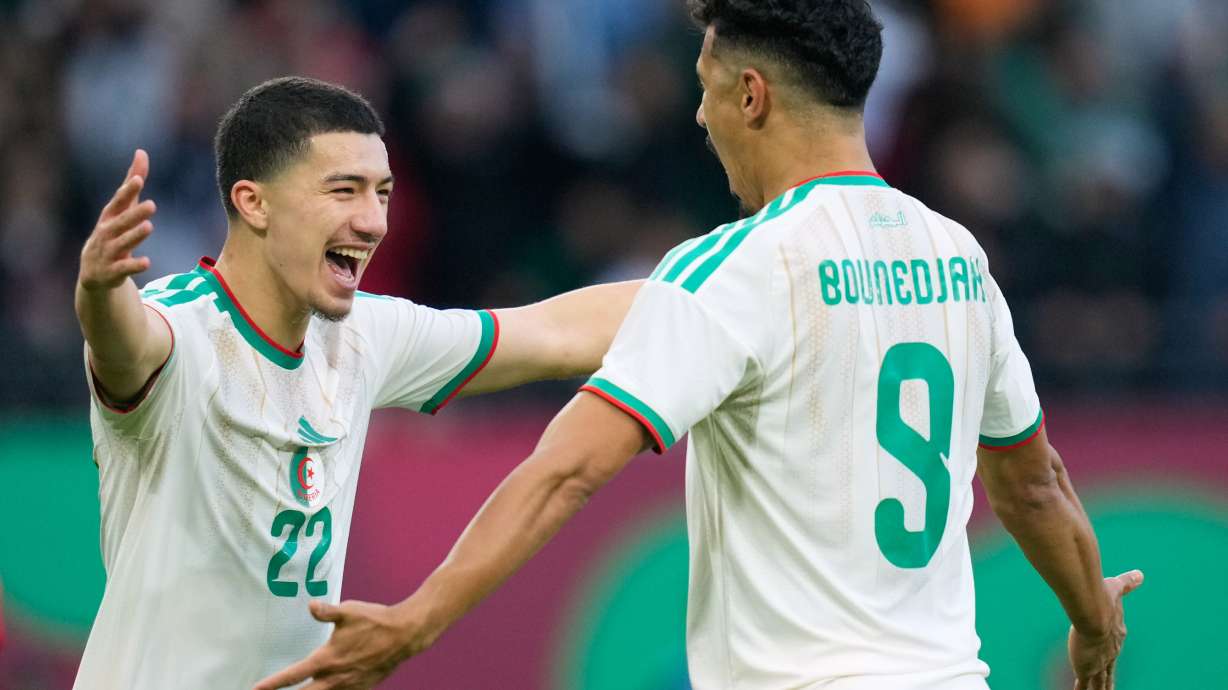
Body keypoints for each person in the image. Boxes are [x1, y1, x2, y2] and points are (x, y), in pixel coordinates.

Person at [258, 3, 1143, 690]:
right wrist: (1092, 621)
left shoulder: (740, 264)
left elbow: (567, 470)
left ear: (751, 94)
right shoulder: (957, 258)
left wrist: (416, 621)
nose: (698, 113)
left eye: (706, 84)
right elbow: (1035, 482)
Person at [73, 76, 640, 689]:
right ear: (253, 202)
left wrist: (728, 280)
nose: (374, 222)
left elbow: (553, 332)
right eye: (345, 191)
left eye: (383, 194)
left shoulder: (365, 333)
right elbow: (125, 344)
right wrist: (98, 291)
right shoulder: (183, 333)